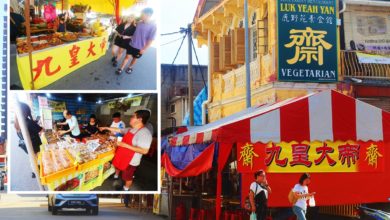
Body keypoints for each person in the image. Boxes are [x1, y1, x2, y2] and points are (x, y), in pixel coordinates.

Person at [99, 110, 152, 191]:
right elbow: (118, 130)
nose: (130, 118)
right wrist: (105, 127)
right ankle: (116, 176)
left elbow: (144, 151)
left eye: (133, 116)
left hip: (131, 160)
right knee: (117, 166)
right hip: (122, 155)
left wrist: (124, 145)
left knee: (127, 177)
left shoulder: (145, 133)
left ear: (140, 119)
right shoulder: (131, 129)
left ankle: (126, 189)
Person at [115, 8, 156, 75]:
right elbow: (132, 29)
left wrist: (144, 49)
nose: (140, 15)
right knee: (127, 57)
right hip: (131, 44)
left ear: (148, 15)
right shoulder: (139, 23)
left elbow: (151, 40)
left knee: (134, 58)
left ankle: (130, 67)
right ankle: (121, 68)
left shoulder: (153, 27)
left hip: (140, 47)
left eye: (142, 14)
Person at [14, 102, 43, 178]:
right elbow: (40, 129)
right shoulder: (28, 122)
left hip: (27, 145)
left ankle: (34, 171)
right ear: (25, 111)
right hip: (33, 145)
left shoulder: (17, 122)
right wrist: (41, 126)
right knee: (35, 158)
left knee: (32, 158)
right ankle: (36, 172)